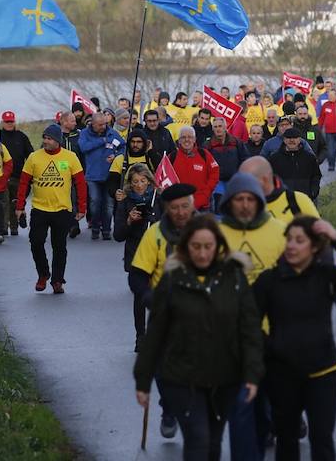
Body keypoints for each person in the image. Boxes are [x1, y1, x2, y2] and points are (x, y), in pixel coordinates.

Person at [134, 215, 264, 461]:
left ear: (219, 246)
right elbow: (155, 334)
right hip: (182, 377)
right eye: (196, 247)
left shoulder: (234, 279)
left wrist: (252, 374)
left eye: (208, 247)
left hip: (225, 378)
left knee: (213, 442)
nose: (202, 254)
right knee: (198, 438)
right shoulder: (172, 281)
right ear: (185, 248)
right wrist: (143, 380)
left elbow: (249, 331)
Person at [252, 216, 336, 461]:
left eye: (300, 240)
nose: (292, 246)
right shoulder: (269, 281)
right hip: (282, 374)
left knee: (322, 441)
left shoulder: (325, 276)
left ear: (315, 247)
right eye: (289, 240)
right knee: (286, 441)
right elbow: (248, 322)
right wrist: (270, 348)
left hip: (323, 373)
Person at [218, 172, 287, 461]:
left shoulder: (281, 232)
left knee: (266, 410)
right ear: (229, 203)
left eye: (250, 199)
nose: (245, 205)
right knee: (240, 409)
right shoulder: (217, 236)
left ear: (259, 201)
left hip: (273, 335)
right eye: (239, 199)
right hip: (233, 339)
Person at [129, 183, 198, 437]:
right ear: (166, 209)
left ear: (193, 205)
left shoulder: (208, 232)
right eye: (174, 208)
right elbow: (137, 276)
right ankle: (169, 408)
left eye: (185, 206)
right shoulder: (155, 235)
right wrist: (150, 298)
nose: (180, 212)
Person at [15, 124, 87, 294]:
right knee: (36, 242)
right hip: (40, 208)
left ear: (57, 141)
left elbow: (80, 183)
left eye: (49, 139)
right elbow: (24, 183)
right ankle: (43, 274)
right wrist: (20, 206)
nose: (45, 141)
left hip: (62, 210)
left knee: (59, 247)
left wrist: (82, 207)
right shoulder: (34, 157)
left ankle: (57, 280)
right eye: (44, 138)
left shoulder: (70, 158)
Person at [113, 163, 160, 348]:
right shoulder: (125, 202)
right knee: (140, 297)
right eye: (135, 182)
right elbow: (118, 235)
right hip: (136, 254)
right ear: (130, 184)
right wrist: (129, 220)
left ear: (149, 181)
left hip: (158, 253)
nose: (139, 185)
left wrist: (153, 218)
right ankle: (141, 336)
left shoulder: (158, 198)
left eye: (143, 181)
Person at [78, 111, 124, 240]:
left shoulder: (112, 133)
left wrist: (116, 156)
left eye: (105, 124)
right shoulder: (85, 134)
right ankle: (95, 227)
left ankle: (106, 230)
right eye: (100, 125)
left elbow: (123, 147)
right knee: (95, 203)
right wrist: (101, 141)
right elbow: (83, 147)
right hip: (93, 176)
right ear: (93, 123)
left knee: (108, 205)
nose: (103, 127)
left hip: (109, 175)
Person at [240, 155, 320, 222]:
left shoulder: (298, 201)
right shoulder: (240, 207)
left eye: (247, 180)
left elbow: (319, 236)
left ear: (264, 179)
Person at [0, 111, 34, 236]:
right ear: (2, 122)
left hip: (18, 175)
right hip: (1, 176)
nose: (9, 124)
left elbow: (30, 154)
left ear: (14, 122)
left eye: (11, 121)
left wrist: (32, 172)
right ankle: (3, 227)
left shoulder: (21, 136)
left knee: (15, 202)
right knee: (3, 202)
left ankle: (14, 227)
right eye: (7, 122)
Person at [170, 126, 220, 212]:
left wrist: (206, 193)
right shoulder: (172, 157)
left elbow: (215, 173)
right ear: (179, 140)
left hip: (202, 206)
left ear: (194, 139)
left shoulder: (204, 154)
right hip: (180, 207)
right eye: (183, 137)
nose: (187, 140)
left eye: (190, 137)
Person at [205, 117, 249, 211]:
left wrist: (240, 175)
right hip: (217, 182)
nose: (218, 129)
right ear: (213, 129)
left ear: (225, 127)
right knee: (219, 207)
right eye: (215, 127)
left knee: (234, 207)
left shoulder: (236, 142)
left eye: (220, 126)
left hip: (233, 181)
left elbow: (245, 159)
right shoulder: (207, 145)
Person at [269, 127, 322, 201]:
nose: (291, 140)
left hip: (305, 199)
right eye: (289, 138)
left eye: (294, 137)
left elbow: (316, 175)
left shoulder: (309, 158)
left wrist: (313, 192)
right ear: (284, 140)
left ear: (300, 139)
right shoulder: (274, 158)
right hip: (282, 200)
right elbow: (270, 178)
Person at [59, 111, 86, 238]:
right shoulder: (56, 136)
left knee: (75, 198)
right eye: (72, 121)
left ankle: (74, 225)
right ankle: (67, 225)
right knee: (65, 200)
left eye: (75, 120)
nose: (75, 123)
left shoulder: (80, 135)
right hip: (60, 174)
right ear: (64, 122)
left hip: (78, 172)